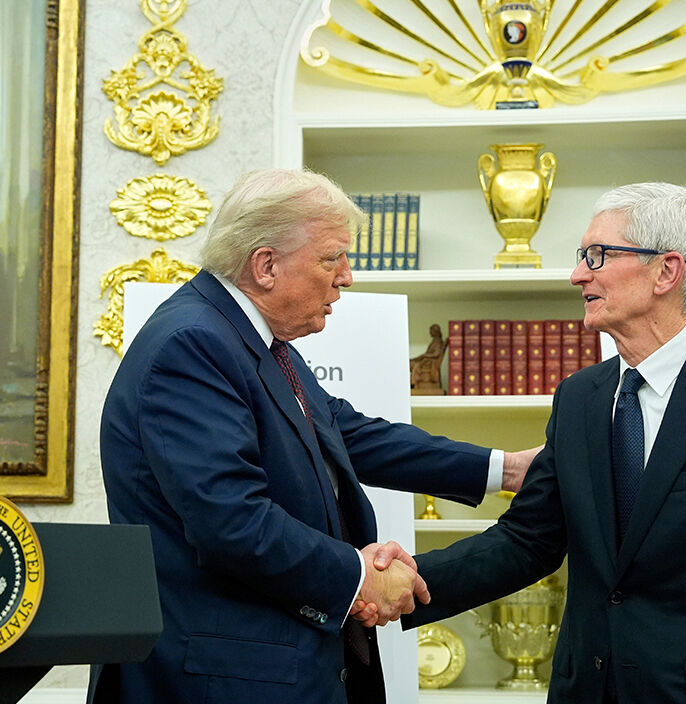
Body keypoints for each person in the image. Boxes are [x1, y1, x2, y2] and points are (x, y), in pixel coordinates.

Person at [373, 182, 686, 703]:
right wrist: (405, 578)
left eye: (597, 256)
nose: (578, 275)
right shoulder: (579, 398)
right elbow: (527, 541)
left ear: (666, 271)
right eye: (581, 257)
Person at [94, 168, 533, 704]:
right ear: (266, 265)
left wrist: (506, 469)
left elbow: (349, 435)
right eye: (332, 258)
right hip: (222, 680)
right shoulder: (193, 344)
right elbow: (232, 520)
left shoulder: (248, 338)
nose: (347, 277)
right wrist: (360, 577)